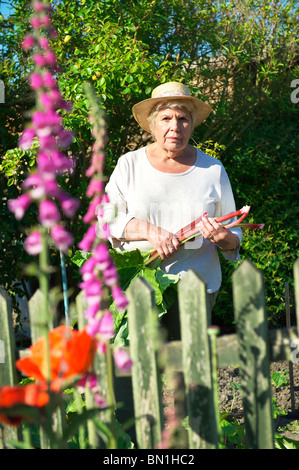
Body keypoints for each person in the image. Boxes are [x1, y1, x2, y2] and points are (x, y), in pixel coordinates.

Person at [105, 81, 242, 338]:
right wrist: (149, 231)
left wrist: (226, 240)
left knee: (190, 371)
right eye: (166, 118)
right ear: (153, 124)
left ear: (192, 124)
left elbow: (233, 231)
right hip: (141, 287)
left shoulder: (212, 170)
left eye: (183, 118)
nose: (174, 127)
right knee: (145, 370)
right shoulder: (129, 165)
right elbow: (106, 219)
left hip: (195, 289)